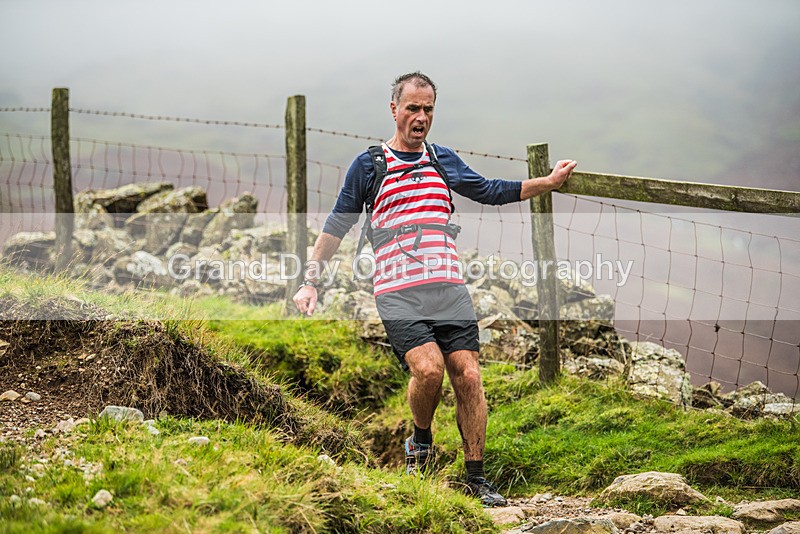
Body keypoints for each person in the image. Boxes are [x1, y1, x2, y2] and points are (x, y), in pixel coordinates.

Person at [293, 71, 576, 507]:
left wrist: (548, 183)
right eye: (412, 108)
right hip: (397, 291)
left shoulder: (442, 160)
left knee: (469, 374)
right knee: (428, 371)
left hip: (449, 289)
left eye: (428, 109)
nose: (420, 117)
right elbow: (336, 225)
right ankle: (420, 442)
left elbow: (489, 190)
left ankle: (476, 478)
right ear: (394, 109)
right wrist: (311, 280)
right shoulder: (370, 165)